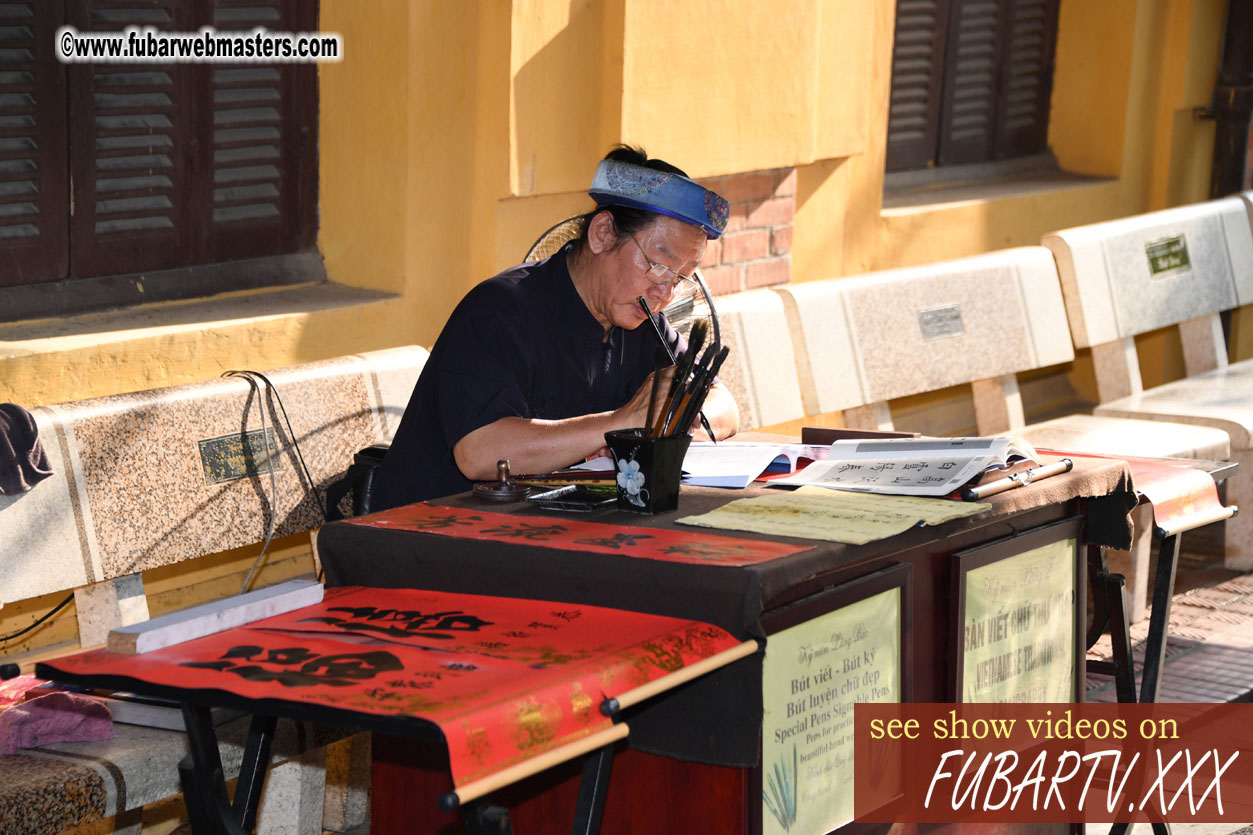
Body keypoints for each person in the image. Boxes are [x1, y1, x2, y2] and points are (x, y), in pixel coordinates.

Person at [371, 146, 740, 510]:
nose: (664, 293)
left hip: (546, 528)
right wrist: (621, 423)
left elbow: (725, 407)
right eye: (658, 266)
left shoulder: (642, 321)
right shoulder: (500, 311)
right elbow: (479, 453)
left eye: (680, 279)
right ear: (602, 234)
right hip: (431, 536)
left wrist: (673, 423)